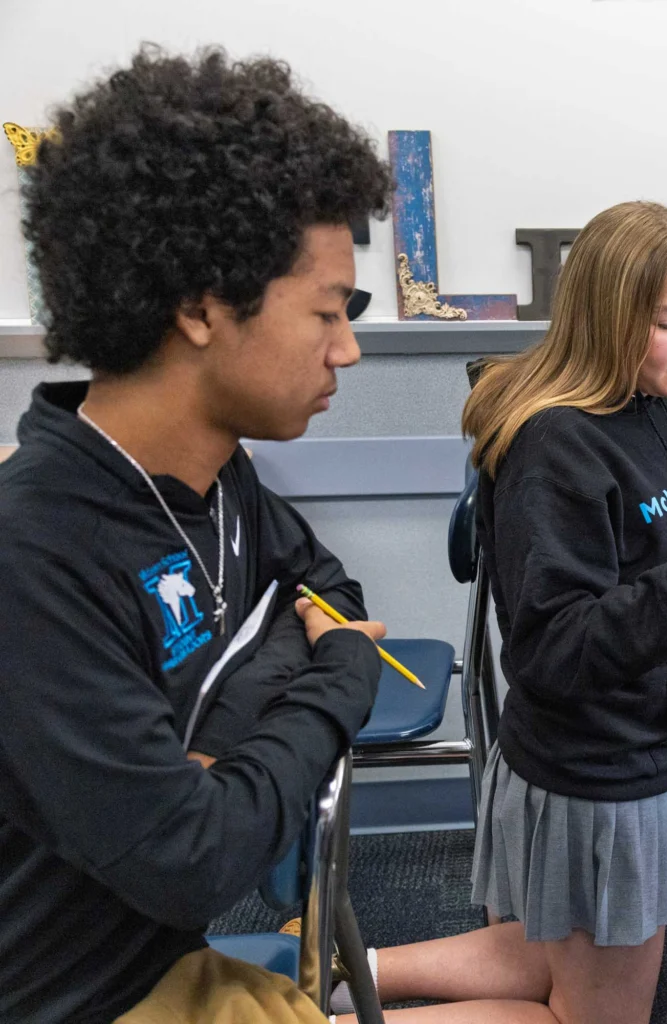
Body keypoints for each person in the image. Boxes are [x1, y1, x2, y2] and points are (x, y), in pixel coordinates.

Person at [328, 201, 667, 1024]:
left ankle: (348, 971)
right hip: (602, 775)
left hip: (641, 753)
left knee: (561, 948)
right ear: (607, 319)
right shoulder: (559, 446)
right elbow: (551, 650)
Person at [0, 46, 395, 1024]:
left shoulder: (221, 480)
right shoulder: (36, 550)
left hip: (161, 958)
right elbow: (197, 861)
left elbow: (326, 588)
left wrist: (224, 759)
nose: (346, 347)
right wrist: (341, 678)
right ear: (200, 307)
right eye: (325, 313)